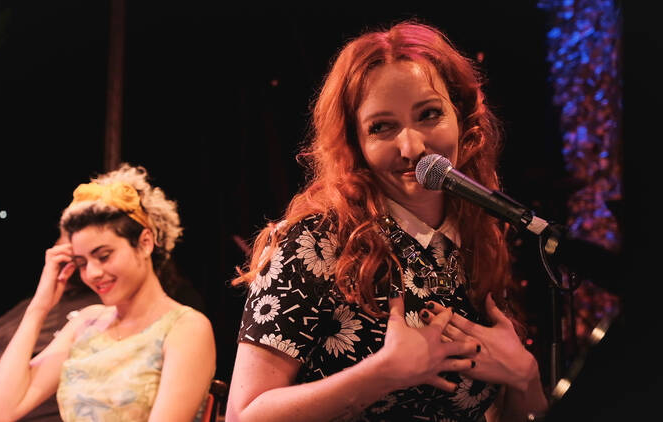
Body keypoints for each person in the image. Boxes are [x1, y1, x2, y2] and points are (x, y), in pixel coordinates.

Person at [226, 21, 548, 422]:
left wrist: (525, 377)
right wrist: (382, 374)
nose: (411, 147)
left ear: (462, 118)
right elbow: (244, 415)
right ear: (355, 143)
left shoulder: (480, 234)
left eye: (429, 115)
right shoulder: (316, 240)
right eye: (382, 127)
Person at [0, 164, 216, 422]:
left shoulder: (185, 328)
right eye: (82, 263)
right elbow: (1, 412)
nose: (91, 273)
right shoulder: (86, 323)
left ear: (145, 243)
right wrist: (39, 307)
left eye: (104, 256)